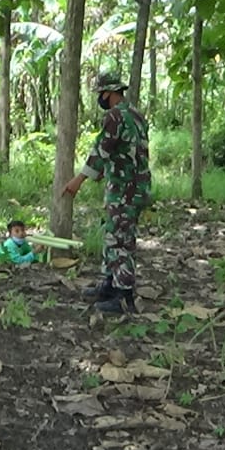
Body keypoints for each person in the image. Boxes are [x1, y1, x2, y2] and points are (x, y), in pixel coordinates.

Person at [62, 73, 152, 313]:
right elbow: (125, 148)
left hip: (126, 189)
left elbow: (100, 150)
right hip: (134, 185)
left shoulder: (114, 116)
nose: (100, 99)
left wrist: (78, 180)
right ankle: (109, 285)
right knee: (113, 235)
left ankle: (123, 296)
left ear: (109, 94)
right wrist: (104, 171)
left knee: (121, 240)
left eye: (101, 94)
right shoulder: (135, 114)